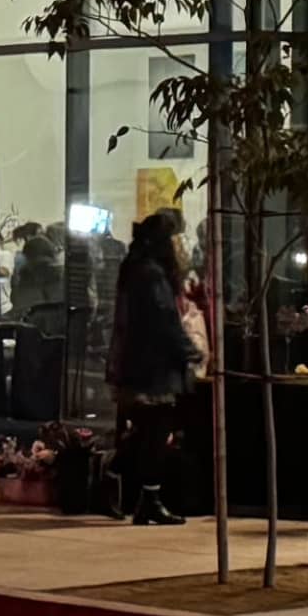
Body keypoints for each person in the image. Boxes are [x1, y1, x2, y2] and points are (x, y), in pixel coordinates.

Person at [109, 208, 202, 526]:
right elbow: (164, 320)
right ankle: (143, 495)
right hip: (152, 368)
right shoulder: (151, 274)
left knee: (148, 431)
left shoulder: (136, 268)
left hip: (140, 363)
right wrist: (189, 350)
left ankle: (126, 486)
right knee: (155, 432)